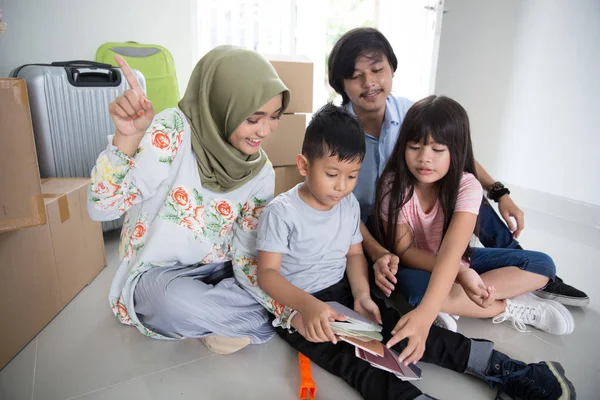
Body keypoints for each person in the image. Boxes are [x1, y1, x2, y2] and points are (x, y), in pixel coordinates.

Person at [236, 103, 575, 400]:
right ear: (303, 165)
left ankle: (505, 368)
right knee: (356, 366)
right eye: (332, 174)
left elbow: (354, 255)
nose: (341, 186)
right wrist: (308, 307)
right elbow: (267, 274)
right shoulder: (283, 211)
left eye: (352, 175)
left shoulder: (347, 204)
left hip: (341, 294)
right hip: (295, 305)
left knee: (408, 331)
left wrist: (362, 296)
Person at [327, 27, 589, 319]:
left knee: (468, 192)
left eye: (377, 70)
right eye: (355, 75)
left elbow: (457, 156)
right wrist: (376, 252)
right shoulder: (334, 129)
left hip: (431, 214)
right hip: (372, 228)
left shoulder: (413, 113)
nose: (369, 82)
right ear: (340, 83)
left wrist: (499, 191)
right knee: (413, 286)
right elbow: (338, 206)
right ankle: (493, 294)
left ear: (391, 69)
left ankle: (513, 274)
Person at [87, 45, 290, 354]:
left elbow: (246, 254)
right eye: (253, 118)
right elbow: (102, 207)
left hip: (220, 271)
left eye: (274, 117)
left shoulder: (260, 170)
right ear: (223, 105)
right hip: (159, 276)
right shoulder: (174, 130)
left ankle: (227, 319)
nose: (264, 130)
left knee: (283, 274)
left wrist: (284, 301)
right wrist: (126, 138)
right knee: (173, 302)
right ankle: (247, 322)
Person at [371, 95, 574, 336]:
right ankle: (507, 307)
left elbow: (452, 253)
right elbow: (404, 252)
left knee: (542, 265)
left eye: (437, 149)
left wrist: (462, 271)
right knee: (414, 291)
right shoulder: (392, 185)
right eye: (414, 147)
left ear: (456, 151)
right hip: (417, 264)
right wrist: (462, 273)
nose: (424, 158)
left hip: (455, 259)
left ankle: (451, 302)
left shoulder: (467, 185)